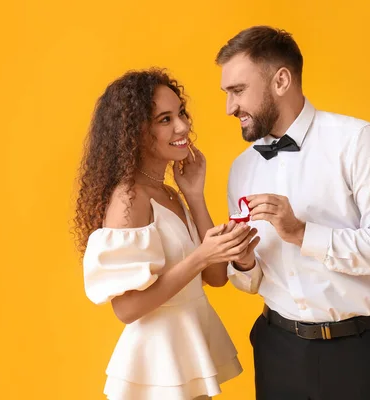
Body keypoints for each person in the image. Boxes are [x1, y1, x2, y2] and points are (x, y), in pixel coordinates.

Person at [215, 26, 370, 399]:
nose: (230, 108)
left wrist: (302, 233)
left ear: (281, 80)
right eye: (227, 94)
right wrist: (243, 262)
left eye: (238, 91)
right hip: (278, 352)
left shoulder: (358, 142)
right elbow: (251, 281)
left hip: (360, 353)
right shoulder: (241, 168)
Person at [73, 68, 256, 400]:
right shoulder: (129, 199)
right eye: (165, 119)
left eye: (181, 113)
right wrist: (202, 255)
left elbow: (215, 276)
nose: (183, 126)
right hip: (158, 367)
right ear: (135, 132)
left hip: (186, 356)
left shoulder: (170, 193)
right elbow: (126, 310)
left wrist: (195, 197)